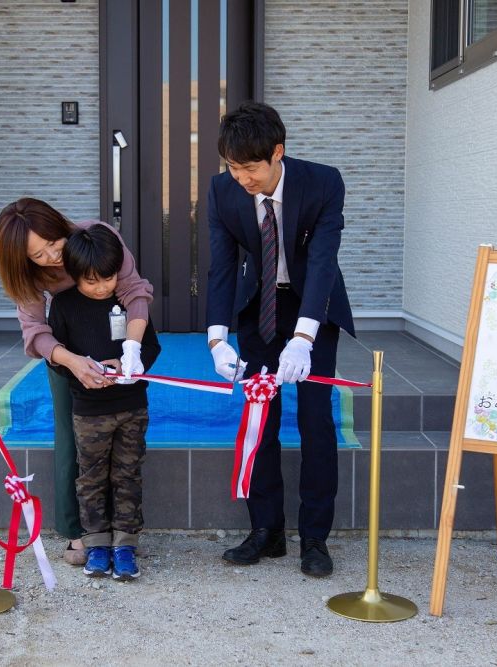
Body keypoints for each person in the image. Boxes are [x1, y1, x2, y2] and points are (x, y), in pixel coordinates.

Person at [205, 102, 355, 577]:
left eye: (250, 168)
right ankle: (266, 532)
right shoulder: (221, 191)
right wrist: (216, 339)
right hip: (260, 308)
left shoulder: (323, 183)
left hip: (314, 308)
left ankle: (315, 538)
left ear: (277, 153)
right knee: (259, 419)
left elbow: (324, 263)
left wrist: (305, 337)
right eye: (232, 167)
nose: (242, 178)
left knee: (315, 421)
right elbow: (222, 266)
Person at [0, 198, 154, 566]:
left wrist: (132, 347)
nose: (52, 256)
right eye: (39, 254)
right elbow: (35, 332)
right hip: (68, 356)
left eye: (54, 243)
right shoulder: (28, 276)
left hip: (115, 346)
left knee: (124, 454)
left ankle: (121, 534)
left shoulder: (96, 237)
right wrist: (72, 361)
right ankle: (80, 533)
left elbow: (134, 290)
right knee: (73, 442)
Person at [47, 224, 161, 580]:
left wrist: (133, 362)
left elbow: (151, 346)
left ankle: (126, 544)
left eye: (108, 278)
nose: (101, 287)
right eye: (91, 281)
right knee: (92, 477)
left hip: (132, 405)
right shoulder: (64, 306)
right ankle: (96, 543)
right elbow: (56, 358)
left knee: (128, 474)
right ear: (74, 275)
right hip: (89, 410)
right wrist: (84, 371)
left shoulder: (128, 302)